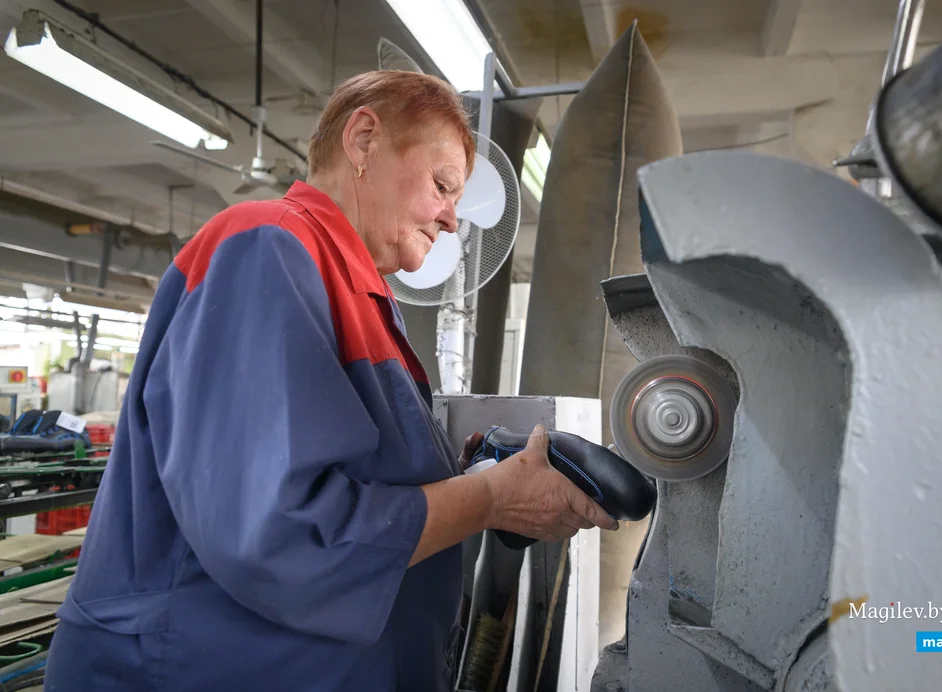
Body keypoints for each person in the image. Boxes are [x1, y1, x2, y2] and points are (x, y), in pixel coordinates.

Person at [42, 71, 618, 691]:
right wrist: (489, 499)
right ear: (365, 139)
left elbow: (354, 479)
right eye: (442, 185)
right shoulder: (265, 246)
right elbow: (279, 529)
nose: (453, 221)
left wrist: (469, 473)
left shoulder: (364, 296)